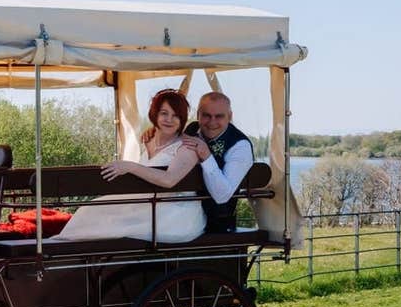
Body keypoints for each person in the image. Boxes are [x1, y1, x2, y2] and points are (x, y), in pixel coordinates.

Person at [47, 88, 204, 243]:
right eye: (164, 113)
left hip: (175, 214)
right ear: (154, 114)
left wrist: (130, 166)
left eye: (176, 116)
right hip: (148, 202)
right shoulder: (148, 139)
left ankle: (65, 250)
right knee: (91, 208)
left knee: (109, 220)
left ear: (182, 119)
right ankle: (63, 247)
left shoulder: (187, 147)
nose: (169, 119)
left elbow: (169, 180)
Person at [180, 91, 254, 233]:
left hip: (216, 224)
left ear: (230, 117)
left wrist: (206, 156)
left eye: (219, 116)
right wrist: (154, 134)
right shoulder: (191, 129)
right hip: (181, 213)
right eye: (206, 115)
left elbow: (222, 196)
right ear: (198, 116)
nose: (212, 122)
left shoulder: (240, 146)